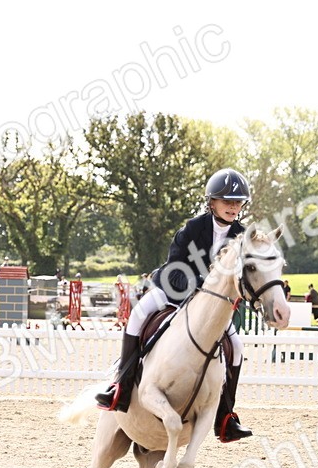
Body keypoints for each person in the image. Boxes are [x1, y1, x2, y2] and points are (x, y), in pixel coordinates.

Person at [94, 168, 257, 443]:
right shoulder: (193, 228)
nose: (233, 207)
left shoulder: (242, 235)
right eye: (227, 201)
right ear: (212, 202)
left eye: (238, 202)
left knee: (237, 348)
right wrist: (199, 286)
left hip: (210, 307)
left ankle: (226, 416)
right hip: (173, 289)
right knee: (137, 315)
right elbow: (174, 268)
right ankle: (120, 387)